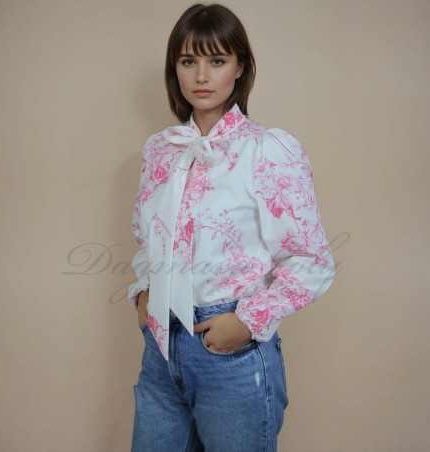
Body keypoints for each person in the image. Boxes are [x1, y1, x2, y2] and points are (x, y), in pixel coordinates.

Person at [128, 3, 335, 451]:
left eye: (217, 61)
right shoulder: (161, 150)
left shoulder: (269, 149)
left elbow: (312, 261)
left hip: (230, 351)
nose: (202, 76)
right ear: (175, 69)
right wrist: (145, 292)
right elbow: (147, 236)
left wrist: (247, 321)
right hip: (161, 350)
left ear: (240, 67)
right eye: (189, 61)